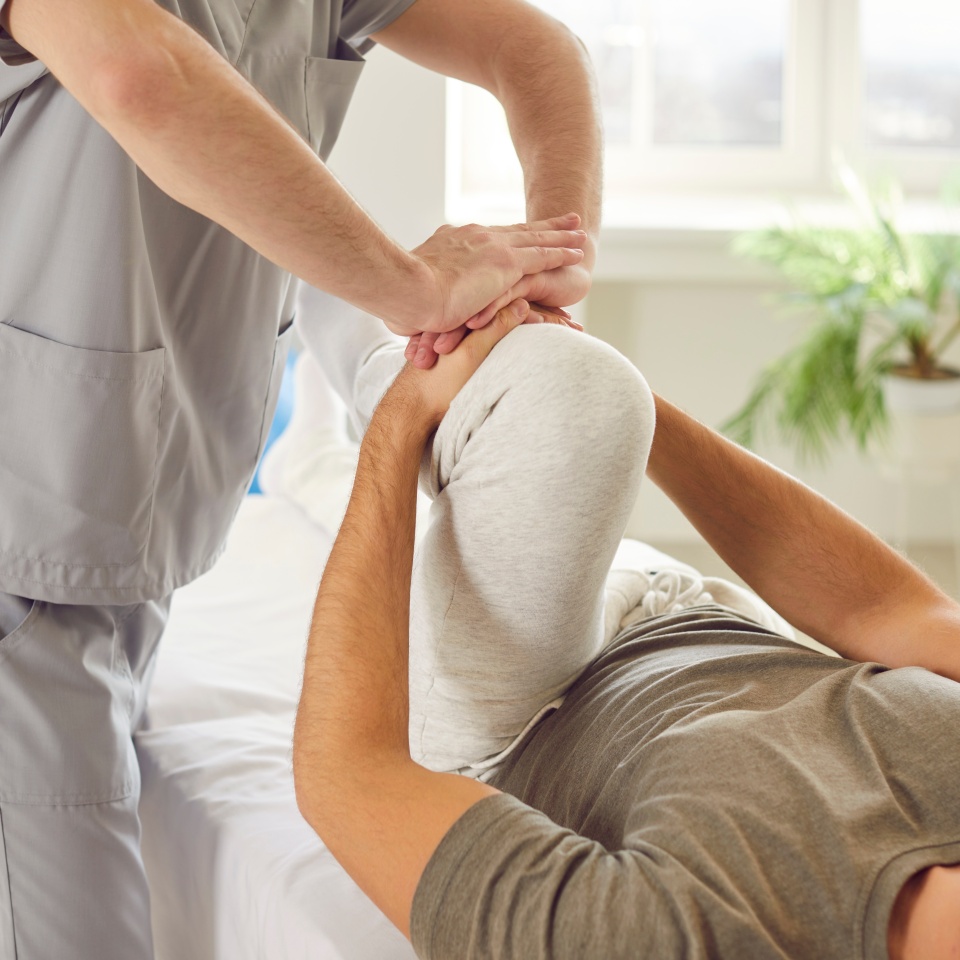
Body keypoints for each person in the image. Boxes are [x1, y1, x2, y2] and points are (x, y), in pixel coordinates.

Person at [0, 0, 597, 955]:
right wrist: (413, 286)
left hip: (139, 503)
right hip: (27, 500)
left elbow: (533, 47)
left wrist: (553, 263)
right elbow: (138, 74)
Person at [291, 303, 960, 960]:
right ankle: (309, 460)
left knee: (573, 394)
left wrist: (404, 414)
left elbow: (347, 775)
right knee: (580, 401)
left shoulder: (679, 937)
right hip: (688, 609)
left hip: (524, 721)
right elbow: (883, 609)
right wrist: (644, 410)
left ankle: (351, 339)